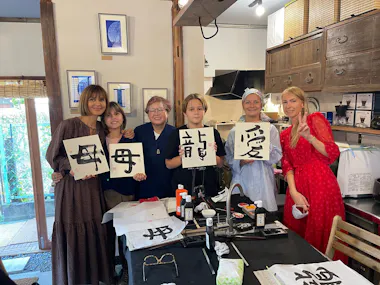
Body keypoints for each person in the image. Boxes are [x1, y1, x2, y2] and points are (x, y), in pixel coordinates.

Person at [46, 85, 111, 285]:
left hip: (92, 187)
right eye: (92, 99)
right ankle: (73, 278)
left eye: (101, 99)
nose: (97, 104)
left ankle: (93, 277)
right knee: (73, 228)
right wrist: (69, 168)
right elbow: (52, 155)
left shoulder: (101, 129)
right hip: (70, 189)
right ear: (85, 102)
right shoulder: (68, 125)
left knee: (93, 226)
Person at [280, 86, 345, 254]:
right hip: (298, 186)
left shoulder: (315, 120)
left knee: (319, 232)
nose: (288, 105)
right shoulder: (284, 134)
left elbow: (332, 152)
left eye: (293, 101)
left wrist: (309, 137)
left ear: (302, 103)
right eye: (285, 102)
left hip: (320, 185)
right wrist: (293, 192)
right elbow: (287, 164)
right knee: (297, 235)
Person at [100, 101, 146, 285]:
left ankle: (128, 269)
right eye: (109, 115)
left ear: (123, 117)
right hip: (104, 192)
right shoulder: (98, 140)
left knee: (128, 233)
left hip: (127, 192)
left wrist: (139, 174)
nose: (113, 118)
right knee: (108, 233)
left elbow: (138, 164)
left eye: (117, 114)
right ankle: (110, 269)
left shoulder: (131, 139)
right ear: (103, 119)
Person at [225, 88, 282, 211]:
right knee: (241, 215)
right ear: (243, 105)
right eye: (248, 102)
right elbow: (228, 158)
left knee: (264, 215)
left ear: (261, 104)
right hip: (242, 180)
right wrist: (240, 162)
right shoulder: (235, 132)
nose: (252, 105)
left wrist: (265, 144)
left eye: (256, 102)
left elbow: (277, 156)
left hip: (264, 181)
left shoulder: (270, 129)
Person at [165, 93, 225, 197]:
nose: (196, 113)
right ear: (185, 113)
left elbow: (221, 163)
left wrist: (213, 155)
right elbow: (168, 164)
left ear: (204, 111)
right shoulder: (176, 134)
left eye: (199, 109)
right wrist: (182, 157)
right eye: (191, 109)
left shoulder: (213, 133)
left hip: (208, 186)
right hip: (183, 187)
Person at [134, 96, 175, 199]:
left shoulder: (175, 133)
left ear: (167, 112)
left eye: (160, 109)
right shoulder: (139, 132)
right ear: (147, 113)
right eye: (152, 110)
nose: (156, 113)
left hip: (169, 187)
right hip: (144, 185)